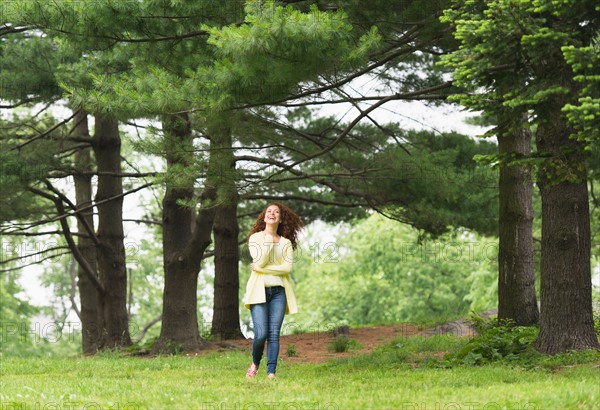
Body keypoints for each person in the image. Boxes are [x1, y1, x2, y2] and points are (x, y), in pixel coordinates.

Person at [243, 203, 303, 379]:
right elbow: (259, 261)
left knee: (274, 334)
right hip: (258, 291)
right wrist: (268, 240)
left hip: (279, 292)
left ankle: (271, 373)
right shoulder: (255, 238)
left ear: (281, 218)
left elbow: (287, 269)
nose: (272, 214)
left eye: (276, 212)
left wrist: (263, 269)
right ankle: (255, 362)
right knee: (261, 334)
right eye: (269, 211)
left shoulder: (285, 243)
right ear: (264, 217)